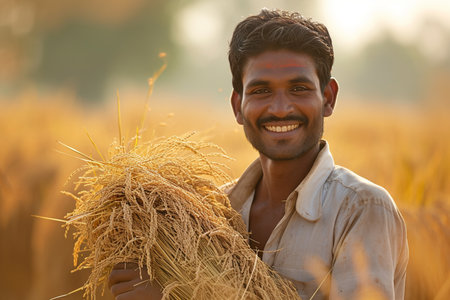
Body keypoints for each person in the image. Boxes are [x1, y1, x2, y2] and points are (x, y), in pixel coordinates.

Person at [108, 9, 409, 299]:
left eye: (299, 88)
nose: (280, 109)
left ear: (328, 98)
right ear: (237, 105)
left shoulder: (361, 209)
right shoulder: (207, 216)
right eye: (261, 91)